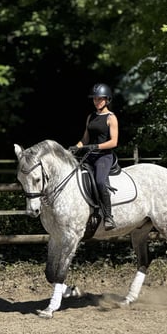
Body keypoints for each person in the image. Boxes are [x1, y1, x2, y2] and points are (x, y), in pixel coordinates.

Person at [69, 83, 118, 230]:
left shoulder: (111, 118)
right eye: (95, 99)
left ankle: (108, 216)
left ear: (107, 100)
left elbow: (114, 142)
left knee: (100, 181)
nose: (97, 102)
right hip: (89, 155)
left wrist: (96, 147)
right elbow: (85, 139)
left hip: (104, 156)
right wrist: (76, 147)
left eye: (100, 99)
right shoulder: (90, 117)